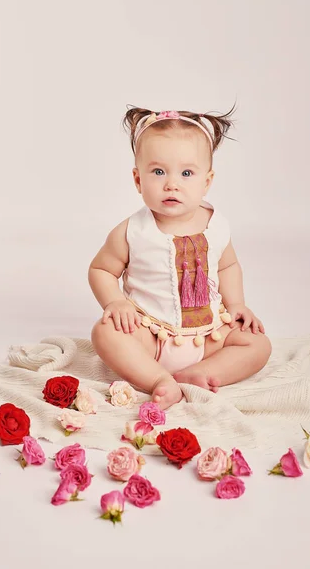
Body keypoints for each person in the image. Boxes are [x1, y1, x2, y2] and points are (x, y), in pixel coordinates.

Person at [88, 106, 272, 409]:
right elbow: (101, 270)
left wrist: (237, 305)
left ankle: (201, 371)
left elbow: (227, 265)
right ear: (137, 180)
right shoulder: (132, 231)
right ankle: (158, 378)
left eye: (187, 173)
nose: (172, 183)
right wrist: (115, 302)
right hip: (151, 335)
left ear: (207, 181)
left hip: (210, 333)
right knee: (104, 333)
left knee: (258, 344)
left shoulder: (217, 225)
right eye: (158, 172)